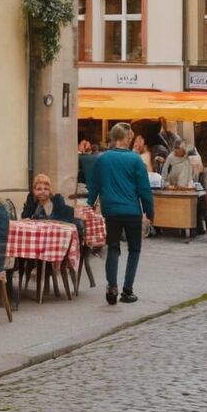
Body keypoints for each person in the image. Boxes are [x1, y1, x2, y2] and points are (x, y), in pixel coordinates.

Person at [88, 122, 153, 305]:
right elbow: (144, 189)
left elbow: (95, 185)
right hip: (132, 210)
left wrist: (90, 203)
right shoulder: (135, 160)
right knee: (134, 249)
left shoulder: (102, 159)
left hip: (111, 211)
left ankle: (112, 286)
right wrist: (149, 210)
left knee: (113, 248)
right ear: (127, 138)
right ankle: (127, 290)